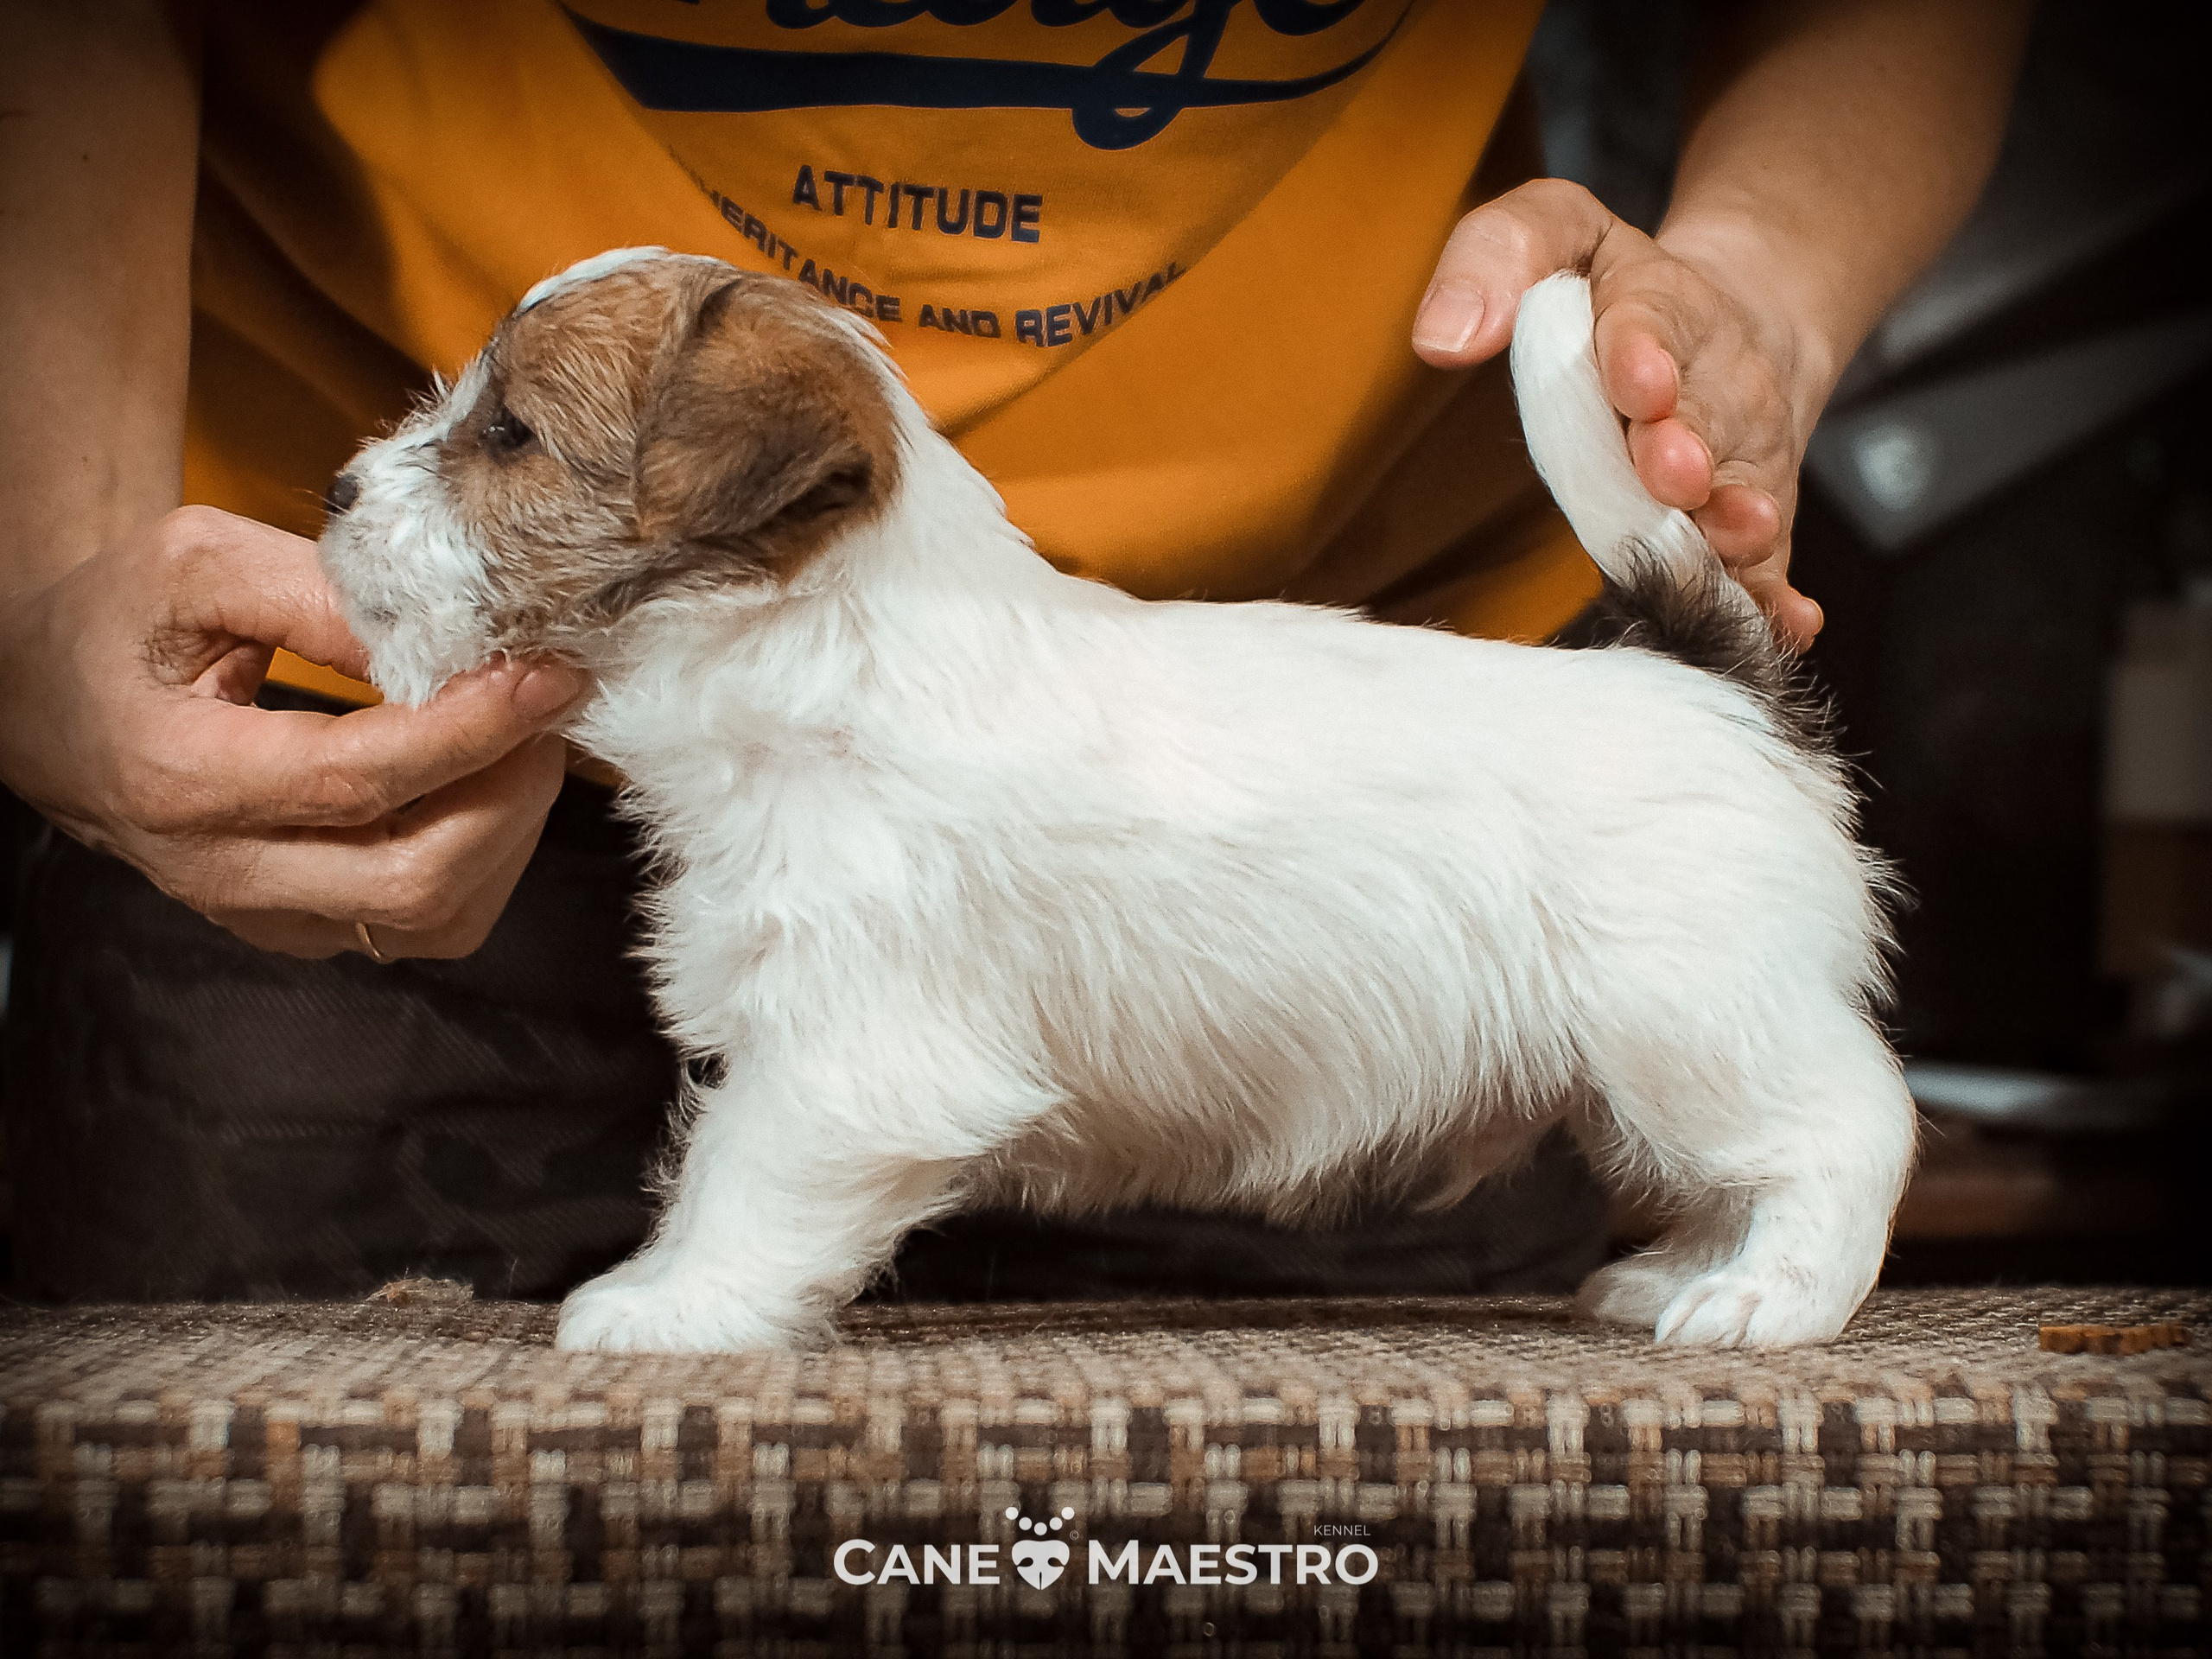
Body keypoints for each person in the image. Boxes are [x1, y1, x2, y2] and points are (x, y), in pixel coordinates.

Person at [0, 0, 2027, 1302]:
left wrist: (1747, 288)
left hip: (1508, 697)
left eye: (501, 434)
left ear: (768, 501)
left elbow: (872, 1071)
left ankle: (1817, 1165)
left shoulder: (894, 721)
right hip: (306, 833)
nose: (392, 482)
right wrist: (49, 578)